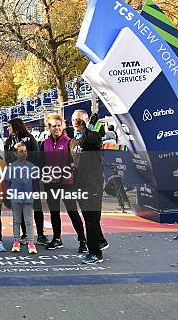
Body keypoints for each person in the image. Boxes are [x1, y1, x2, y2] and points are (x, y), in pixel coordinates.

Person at [41, 113, 87, 252]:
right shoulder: (44, 143)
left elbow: (74, 163)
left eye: (59, 125)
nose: (57, 128)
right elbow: (41, 164)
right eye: (54, 126)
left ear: (63, 126)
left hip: (67, 184)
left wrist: (61, 175)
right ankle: (56, 239)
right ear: (49, 127)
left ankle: (82, 241)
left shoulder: (69, 142)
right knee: (54, 212)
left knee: (72, 211)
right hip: (50, 184)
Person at [70, 110, 108, 264]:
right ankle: (99, 240)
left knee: (91, 218)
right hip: (80, 184)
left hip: (93, 184)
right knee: (88, 216)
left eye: (79, 120)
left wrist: (88, 127)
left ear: (86, 121)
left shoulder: (92, 136)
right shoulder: (73, 140)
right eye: (74, 119)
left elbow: (95, 139)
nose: (76, 122)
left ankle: (95, 253)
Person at [4, 118, 48, 246]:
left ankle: (40, 234)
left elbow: (36, 157)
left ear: (16, 127)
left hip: (30, 178)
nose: (8, 129)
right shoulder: (9, 141)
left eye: (9, 126)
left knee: (36, 205)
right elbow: (8, 158)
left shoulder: (29, 138)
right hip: (17, 180)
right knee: (20, 205)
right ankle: (24, 234)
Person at [7, 143, 38, 254]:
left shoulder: (32, 166)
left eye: (25, 151)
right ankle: (16, 240)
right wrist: (8, 196)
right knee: (16, 220)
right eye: (20, 151)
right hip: (15, 198)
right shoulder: (11, 167)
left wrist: (36, 195)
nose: (24, 153)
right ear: (15, 153)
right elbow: (9, 183)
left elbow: (35, 183)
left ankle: (30, 242)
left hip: (28, 198)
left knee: (28, 220)